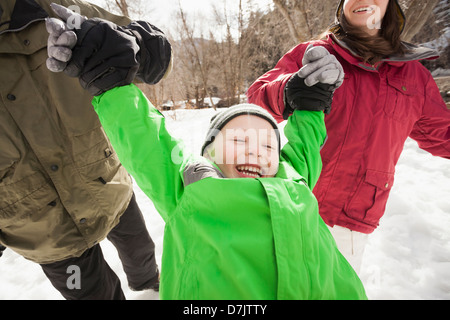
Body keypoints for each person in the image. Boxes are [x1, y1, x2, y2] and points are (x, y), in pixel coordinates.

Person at [46, 7, 367, 299]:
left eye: (268, 145)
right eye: (239, 141)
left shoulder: (293, 176)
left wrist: (312, 102)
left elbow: (307, 143)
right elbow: (145, 141)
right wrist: (111, 84)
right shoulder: (192, 188)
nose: (256, 152)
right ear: (210, 152)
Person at [247, 0, 450, 272]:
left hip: (351, 225)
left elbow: (442, 134)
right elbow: (254, 102)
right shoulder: (314, 53)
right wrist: (288, 90)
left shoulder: (414, 77)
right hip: (294, 204)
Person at [0, 0, 171, 299]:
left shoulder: (54, 9)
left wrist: (132, 49)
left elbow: (159, 55)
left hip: (107, 186)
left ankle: (147, 284)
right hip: (43, 232)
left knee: (141, 253)